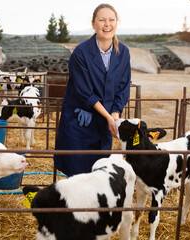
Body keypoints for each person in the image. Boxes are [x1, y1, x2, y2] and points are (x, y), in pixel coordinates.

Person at [53, 3, 131, 177]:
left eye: (111, 20)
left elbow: (123, 87)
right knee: (78, 172)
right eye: (102, 20)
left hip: (105, 122)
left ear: (117, 23)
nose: (107, 24)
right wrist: (109, 117)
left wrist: (115, 114)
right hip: (80, 121)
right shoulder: (81, 53)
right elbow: (84, 91)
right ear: (93, 24)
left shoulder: (123, 52)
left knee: (100, 170)